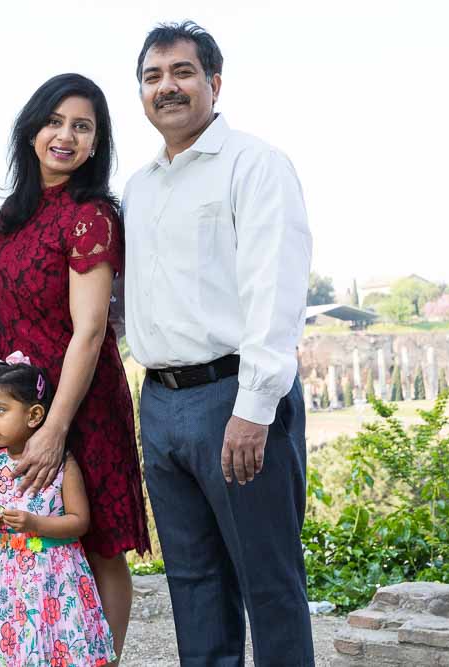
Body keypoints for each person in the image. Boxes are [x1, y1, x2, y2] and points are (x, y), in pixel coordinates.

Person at [122, 21, 315, 665]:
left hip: (235, 396)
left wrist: (254, 409)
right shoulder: (139, 187)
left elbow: (276, 293)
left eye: (181, 72)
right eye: (152, 77)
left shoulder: (255, 165)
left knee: (270, 583)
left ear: (214, 82)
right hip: (162, 403)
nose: (166, 87)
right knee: (194, 585)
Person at [0, 72, 151, 664]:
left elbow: (91, 329)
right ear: (31, 130)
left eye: (82, 127)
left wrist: (55, 427)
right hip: (21, 404)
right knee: (24, 538)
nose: (66, 135)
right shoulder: (8, 216)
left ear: (96, 143)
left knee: (99, 544)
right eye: (55, 121)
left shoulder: (91, 214)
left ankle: (102, 658)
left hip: (81, 403)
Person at [0, 355, 115, 667]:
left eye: (0, 410)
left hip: (52, 577)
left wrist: (35, 523)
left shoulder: (61, 464)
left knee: (52, 646)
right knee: (14, 649)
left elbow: (79, 522)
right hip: (6, 581)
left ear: (34, 415)